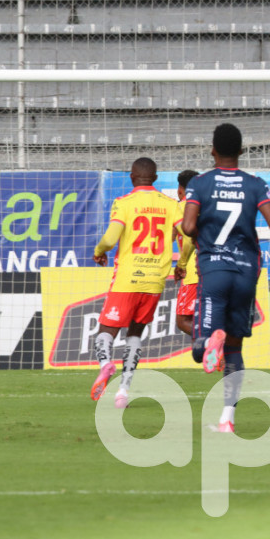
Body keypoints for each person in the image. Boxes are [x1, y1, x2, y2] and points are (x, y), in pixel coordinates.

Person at [175, 123, 270, 433]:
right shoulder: (255, 184)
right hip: (247, 272)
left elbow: (188, 225)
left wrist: (203, 232)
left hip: (214, 271)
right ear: (241, 150)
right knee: (235, 350)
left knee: (199, 349)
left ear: (212, 149)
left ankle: (211, 340)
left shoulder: (200, 183)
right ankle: (227, 420)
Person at [90, 157, 182, 409]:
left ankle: (105, 365)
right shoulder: (171, 204)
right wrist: (183, 261)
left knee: (106, 332)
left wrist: (99, 251)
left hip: (128, 278)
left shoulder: (124, 203)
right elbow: (189, 234)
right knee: (135, 333)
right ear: (155, 178)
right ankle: (123, 391)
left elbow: (110, 239)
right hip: (155, 280)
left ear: (132, 177)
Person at [174, 169, 200, 336]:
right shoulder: (209, 205)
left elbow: (188, 238)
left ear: (180, 189)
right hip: (216, 269)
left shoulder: (178, 208)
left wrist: (181, 264)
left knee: (183, 321)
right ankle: (220, 352)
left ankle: (212, 343)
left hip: (192, 272)